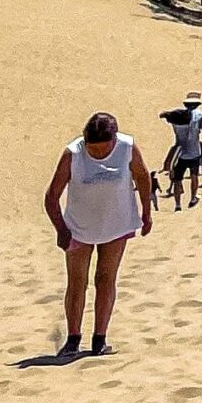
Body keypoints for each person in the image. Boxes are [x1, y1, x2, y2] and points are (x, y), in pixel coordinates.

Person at [42, 112, 154, 356]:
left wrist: (147, 213)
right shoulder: (73, 154)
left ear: (114, 139)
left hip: (117, 225)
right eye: (94, 150)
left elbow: (142, 177)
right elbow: (51, 197)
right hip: (78, 229)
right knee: (77, 282)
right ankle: (73, 339)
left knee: (105, 279)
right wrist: (61, 230)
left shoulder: (127, 147)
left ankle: (99, 338)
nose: (99, 154)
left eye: (104, 149)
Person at [159, 92, 202, 210]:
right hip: (194, 152)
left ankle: (177, 205)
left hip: (180, 153)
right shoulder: (199, 116)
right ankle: (193, 198)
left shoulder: (176, 118)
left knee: (177, 180)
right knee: (194, 175)